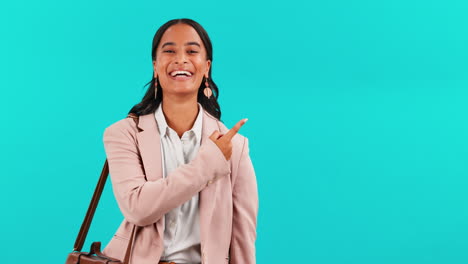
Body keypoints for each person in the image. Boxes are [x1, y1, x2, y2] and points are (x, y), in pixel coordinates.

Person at [101, 18, 259, 264]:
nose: (181, 59)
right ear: (155, 65)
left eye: (192, 51)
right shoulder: (123, 134)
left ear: (206, 67)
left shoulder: (235, 147)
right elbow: (138, 209)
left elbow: (243, 235)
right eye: (170, 51)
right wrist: (208, 164)